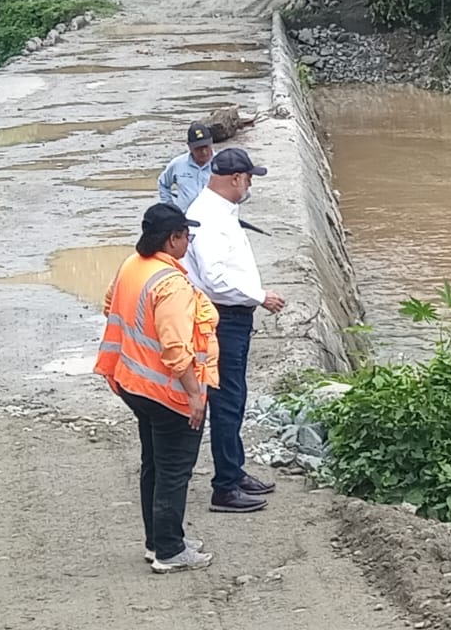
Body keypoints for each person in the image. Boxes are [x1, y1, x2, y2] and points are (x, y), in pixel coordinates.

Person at [95, 203, 220, 573]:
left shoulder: (132, 266)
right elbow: (176, 349)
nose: (189, 241)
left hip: (133, 384)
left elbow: (109, 307)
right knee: (173, 470)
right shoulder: (171, 285)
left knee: (154, 463)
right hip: (168, 393)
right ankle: (169, 551)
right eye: (186, 235)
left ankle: (159, 540)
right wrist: (195, 395)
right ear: (172, 239)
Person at [183, 147, 286, 513]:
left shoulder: (219, 210)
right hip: (223, 318)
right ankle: (225, 486)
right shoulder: (209, 218)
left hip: (231, 316)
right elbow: (214, 279)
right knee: (227, 399)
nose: (250, 186)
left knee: (235, 396)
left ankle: (234, 470)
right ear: (236, 178)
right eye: (249, 179)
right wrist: (260, 296)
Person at [158, 122, 216, 211]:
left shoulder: (222, 164)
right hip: (185, 216)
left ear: (211, 142)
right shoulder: (177, 164)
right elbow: (163, 184)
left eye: (206, 147)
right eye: (198, 148)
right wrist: (169, 207)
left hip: (214, 215)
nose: (204, 152)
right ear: (189, 147)